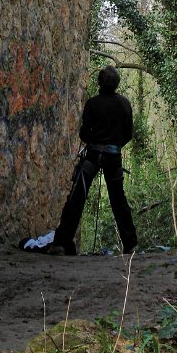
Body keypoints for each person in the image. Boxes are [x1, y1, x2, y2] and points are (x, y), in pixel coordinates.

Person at [48, 65, 137, 256]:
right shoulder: (124, 104)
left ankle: (61, 243)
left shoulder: (92, 104)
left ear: (99, 83)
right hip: (113, 156)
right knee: (118, 200)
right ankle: (130, 245)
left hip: (93, 155)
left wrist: (96, 140)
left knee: (77, 197)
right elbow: (128, 134)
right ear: (116, 84)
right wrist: (114, 145)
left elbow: (84, 134)